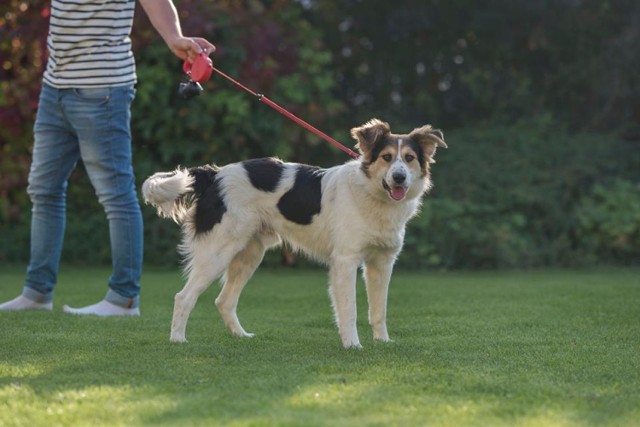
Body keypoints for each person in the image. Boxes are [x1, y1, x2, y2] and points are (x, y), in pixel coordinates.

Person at [0, 0, 215, 316]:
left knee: (115, 195)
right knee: (43, 191)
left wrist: (173, 38)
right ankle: (36, 293)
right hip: (54, 86)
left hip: (102, 89)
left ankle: (123, 298)